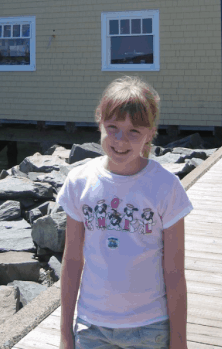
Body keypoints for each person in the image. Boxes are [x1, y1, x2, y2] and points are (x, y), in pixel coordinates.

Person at [57, 76, 193, 349]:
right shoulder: (79, 182)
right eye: (113, 127)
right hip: (91, 327)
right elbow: (72, 261)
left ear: (150, 133)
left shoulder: (166, 187)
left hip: (150, 328)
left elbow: (175, 270)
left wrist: (179, 340)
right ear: (99, 123)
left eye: (134, 131)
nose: (121, 140)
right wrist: (65, 333)